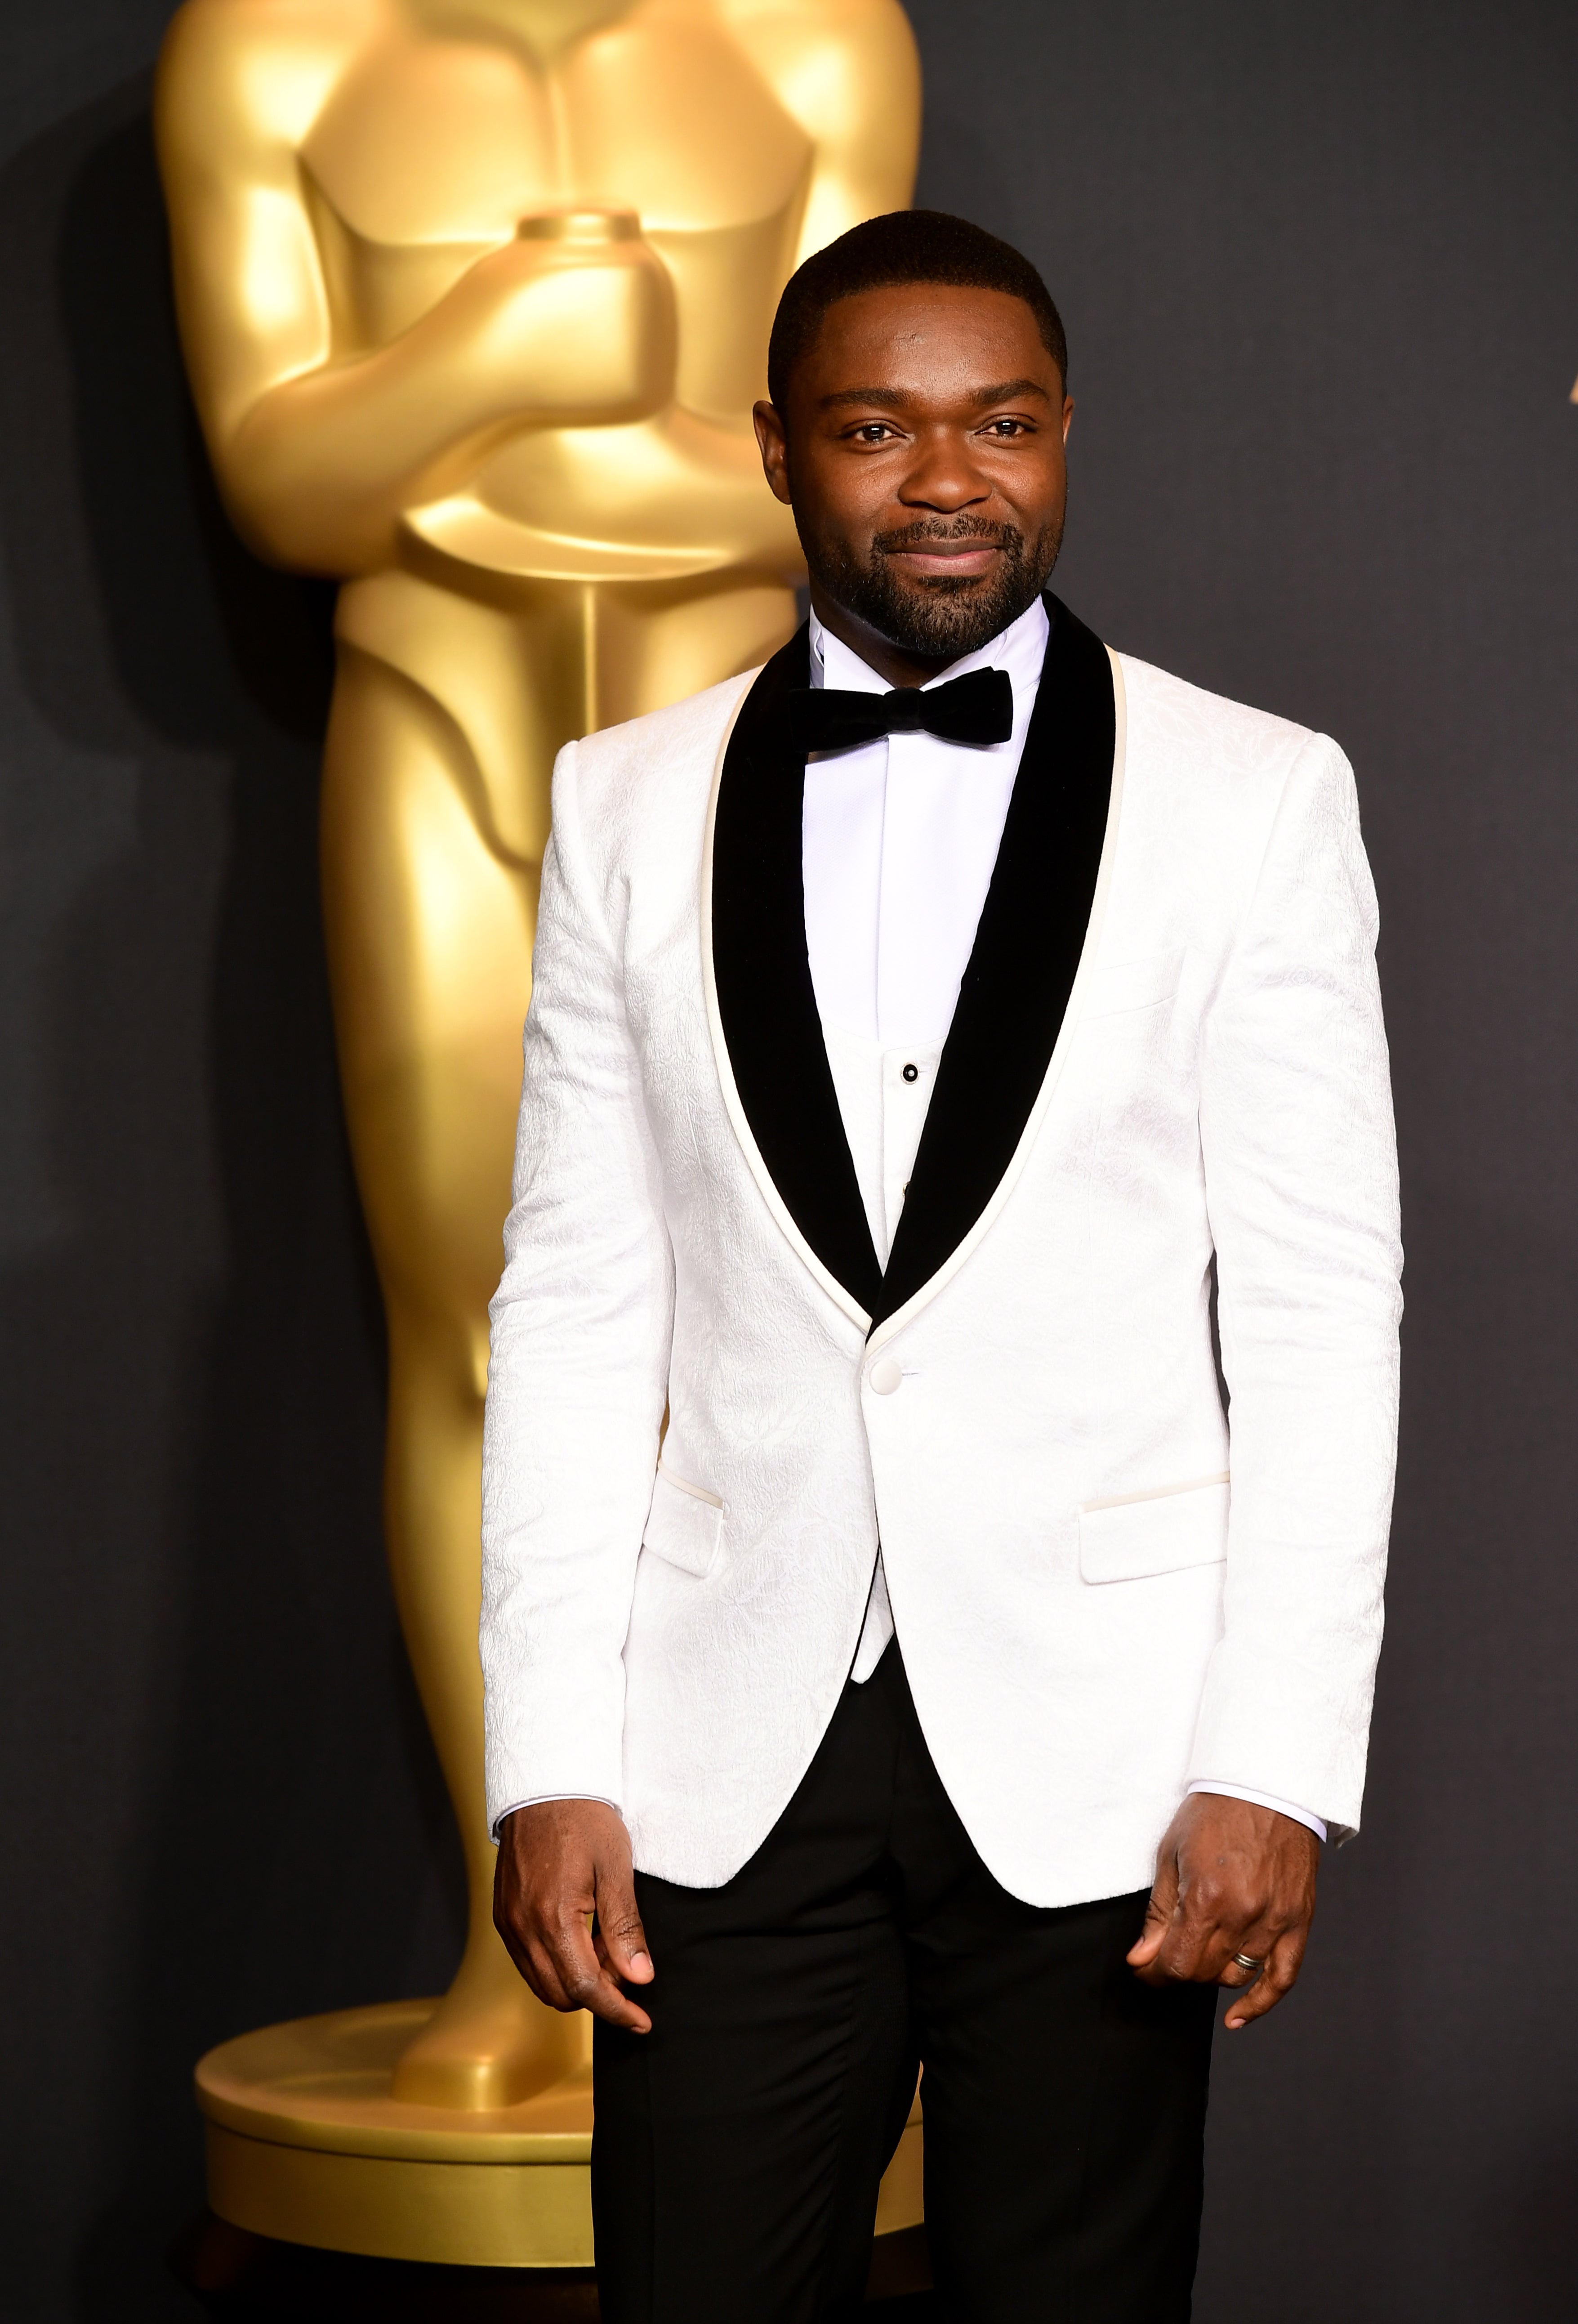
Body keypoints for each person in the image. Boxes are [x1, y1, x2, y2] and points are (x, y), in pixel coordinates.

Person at [481, 210, 1402, 2320]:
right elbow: (570, 1305)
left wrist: (1270, 1758)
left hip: (1100, 1755)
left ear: (1062, 436)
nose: (946, 477)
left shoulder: (1249, 798)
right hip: (719, 1747)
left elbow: (1316, 1312)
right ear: (776, 453)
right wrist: (551, 1753)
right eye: (876, 427)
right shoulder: (619, 804)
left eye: (1000, 422)